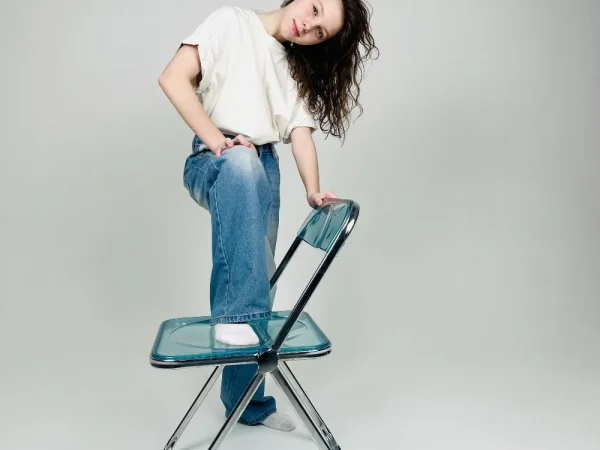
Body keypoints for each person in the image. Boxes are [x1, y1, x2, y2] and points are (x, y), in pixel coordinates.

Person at [158, 0, 377, 433]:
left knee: (259, 275)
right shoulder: (230, 22)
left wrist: (313, 190)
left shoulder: (293, 69)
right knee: (240, 166)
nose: (308, 26)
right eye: (314, 9)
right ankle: (235, 320)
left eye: (320, 32)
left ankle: (247, 403)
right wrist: (219, 143)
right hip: (213, 156)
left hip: (264, 167)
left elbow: (301, 135)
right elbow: (173, 77)